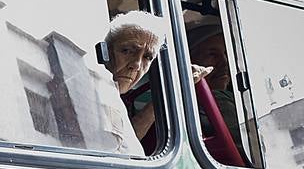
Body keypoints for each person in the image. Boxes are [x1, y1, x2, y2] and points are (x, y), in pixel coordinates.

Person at [103, 10, 210, 153]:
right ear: (105, 50)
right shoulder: (96, 92)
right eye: (127, 50)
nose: (136, 65)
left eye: (147, 57)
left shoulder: (115, 97)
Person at [187, 21, 243, 155]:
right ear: (190, 61)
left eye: (225, 54)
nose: (224, 63)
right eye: (212, 54)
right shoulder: (217, 98)